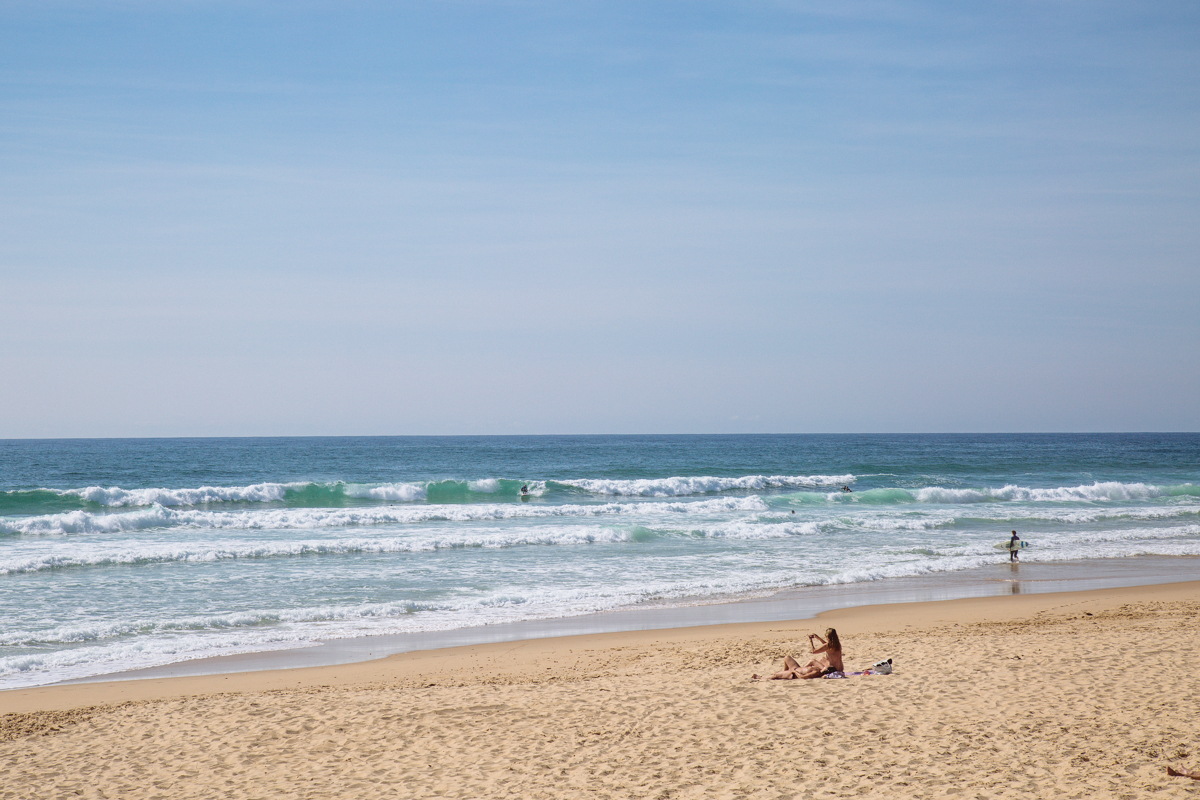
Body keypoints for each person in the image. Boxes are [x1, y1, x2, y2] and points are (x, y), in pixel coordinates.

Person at [751, 628, 843, 680]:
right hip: (838, 668)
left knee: (776, 675)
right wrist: (818, 639)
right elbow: (826, 646)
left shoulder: (818, 671)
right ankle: (784, 672)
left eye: (826, 637)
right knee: (787, 657)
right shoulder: (837, 644)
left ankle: (761, 678)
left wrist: (810, 641)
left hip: (796, 672)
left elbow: (814, 651)